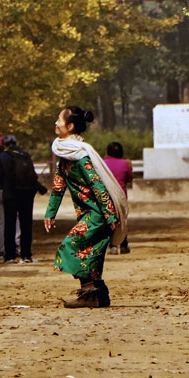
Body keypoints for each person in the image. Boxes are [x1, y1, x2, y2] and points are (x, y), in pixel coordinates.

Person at [44, 106, 128, 308]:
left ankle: (89, 293)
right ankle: (99, 295)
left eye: (59, 120)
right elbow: (58, 187)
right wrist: (50, 213)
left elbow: (98, 186)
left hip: (98, 214)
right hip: (88, 214)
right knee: (91, 254)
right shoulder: (66, 155)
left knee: (71, 247)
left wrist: (109, 215)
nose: (56, 123)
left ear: (70, 126)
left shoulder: (81, 155)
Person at [1, 135, 41, 264]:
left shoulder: (4, 156)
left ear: (4, 145)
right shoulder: (24, 154)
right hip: (27, 192)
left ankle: (10, 255)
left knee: (10, 223)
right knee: (26, 223)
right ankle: (26, 255)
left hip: (11, 193)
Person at [103, 141, 133, 255]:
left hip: (106, 195)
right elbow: (129, 178)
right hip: (121, 196)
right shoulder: (125, 163)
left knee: (110, 220)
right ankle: (124, 245)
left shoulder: (102, 163)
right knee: (122, 221)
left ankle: (113, 246)